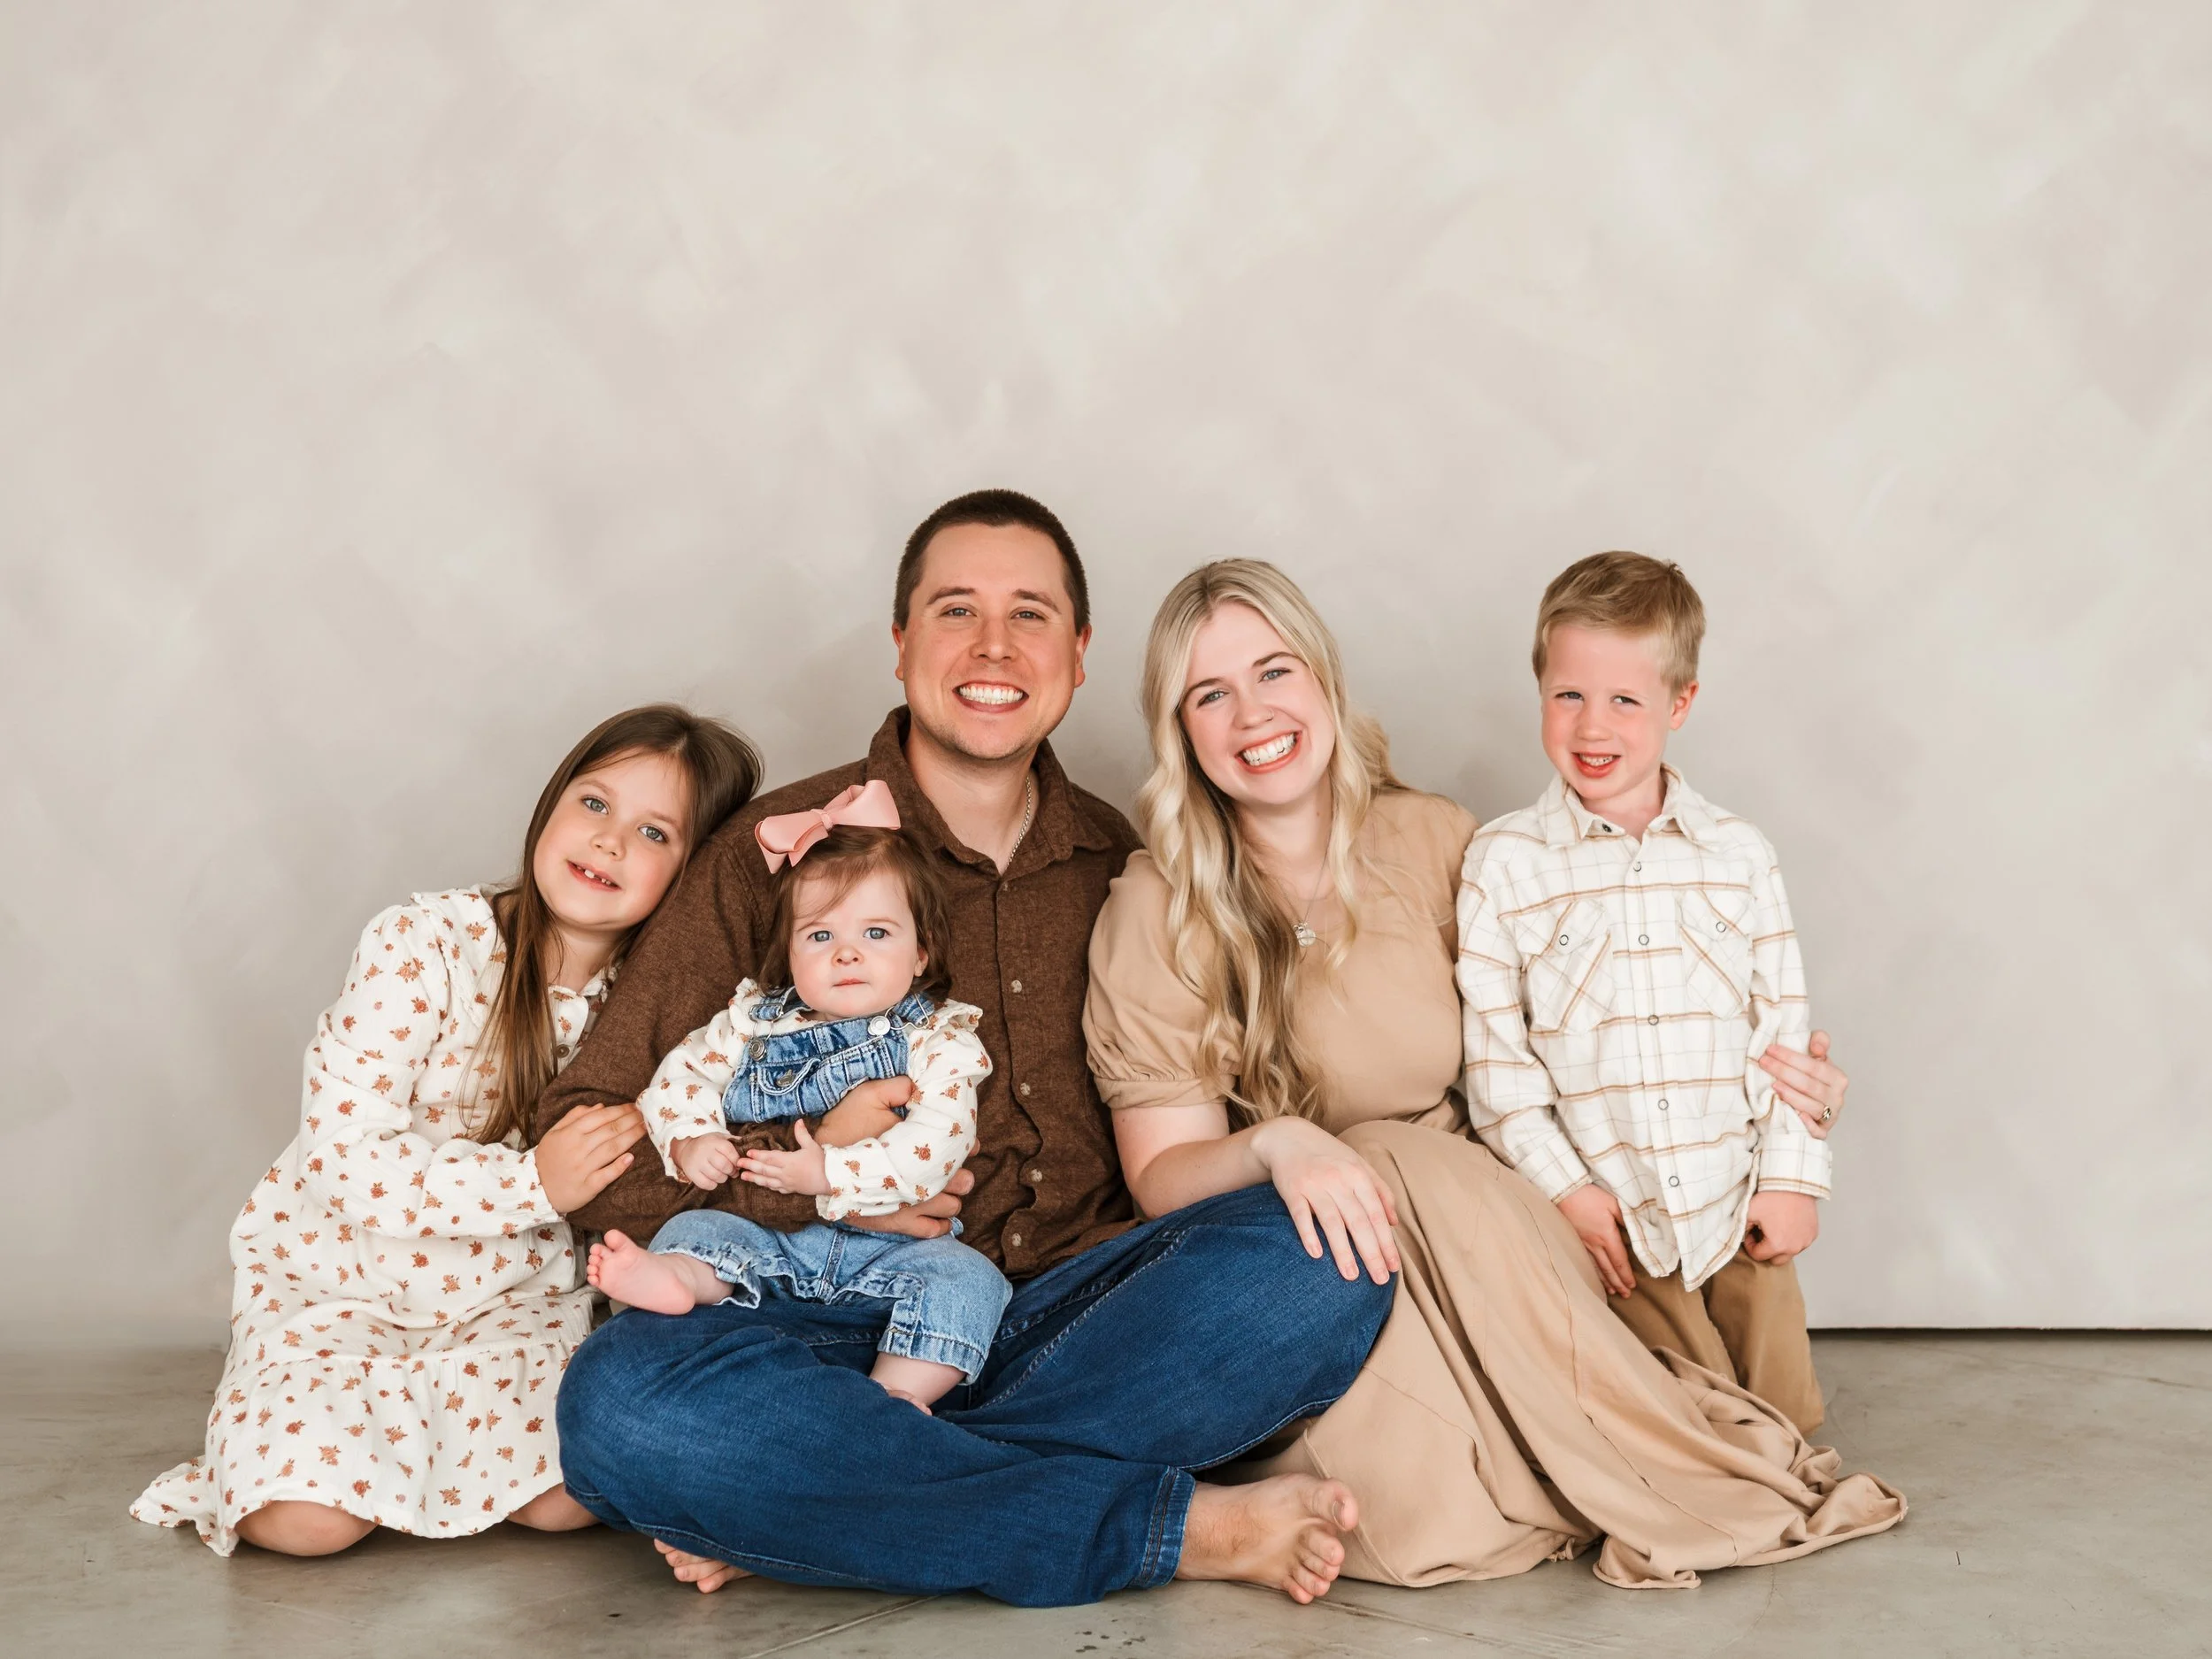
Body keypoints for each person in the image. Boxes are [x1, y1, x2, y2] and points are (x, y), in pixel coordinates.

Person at [539, 491, 1391, 1608]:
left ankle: (828, 1497)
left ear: (1078, 654)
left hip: (1066, 1327)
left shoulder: (1128, 863)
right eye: (956, 611)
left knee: (1322, 1263)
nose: (994, 646)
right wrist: (819, 1187)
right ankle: (1165, 1527)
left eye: (1029, 614)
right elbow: (588, 1128)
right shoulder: (779, 853)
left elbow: (1190, 1126)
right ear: (901, 644)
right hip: (808, 1322)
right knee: (620, 1405)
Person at [1084, 558, 1904, 1589]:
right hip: (1326, 1250)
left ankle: (1625, 1426)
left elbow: (1593, 1031)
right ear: (1179, 728)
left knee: (1581, 1407)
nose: (1253, 714)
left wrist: (1779, 1096)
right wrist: (1281, 1144)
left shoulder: (1436, 840)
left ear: (1323, 679)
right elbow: (1162, 1178)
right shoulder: (1157, 907)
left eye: (1274, 671)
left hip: (1495, 1219)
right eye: (1210, 693)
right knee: (1417, 1519)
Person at [131, 705, 759, 1556]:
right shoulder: (427, 944)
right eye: (594, 802)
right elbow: (341, 1154)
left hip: (515, 1300)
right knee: (306, 1524)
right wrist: (533, 1183)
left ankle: (437, 1447)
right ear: (551, 803)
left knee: (572, 1498)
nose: (609, 841)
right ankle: (303, 1425)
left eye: (654, 832)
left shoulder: (663, 1011)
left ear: (690, 875)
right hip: (345, 1283)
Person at [1458, 551, 1832, 1432]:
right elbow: (1498, 1071)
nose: (1593, 725)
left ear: (1679, 703)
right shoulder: (1503, 865)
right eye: (1569, 694)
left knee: (1791, 1429)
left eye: (1625, 699)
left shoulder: (1738, 854)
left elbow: (1787, 1038)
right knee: (1698, 1435)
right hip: (1618, 1223)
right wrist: (1568, 1193)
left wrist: (1792, 1180)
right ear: (1539, 691)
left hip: (1734, 1202)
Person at [588, 788, 1007, 1413]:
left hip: (894, 1251)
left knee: (970, 1281)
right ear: (789, 952)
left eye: (876, 932)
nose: (846, 952)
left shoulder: (939, 1038)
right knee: (695, 1230)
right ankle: (674, 1278)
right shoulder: (752, 1023)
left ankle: (895, 1396)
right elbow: (680, 1075)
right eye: (819, 934)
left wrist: (828, 1173)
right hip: (768, 1243)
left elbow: (941, 1140)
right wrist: (691, 1136)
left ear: (921, 952)